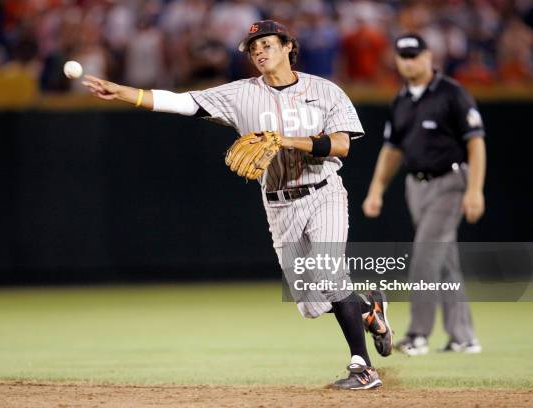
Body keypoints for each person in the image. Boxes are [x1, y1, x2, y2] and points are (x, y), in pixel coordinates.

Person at [83, 20, 392, 390]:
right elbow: (184, 103)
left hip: (323, 191)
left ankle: (363, 368)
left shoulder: (325, 90)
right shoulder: (240, 94)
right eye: (252, 48)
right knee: (312, 305)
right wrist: (125, 93)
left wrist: (288, 141)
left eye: (266, 44)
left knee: (329, 273)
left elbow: (341, 145)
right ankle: (369, 310)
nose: (259, 51)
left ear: (287, 46)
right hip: (279, 205)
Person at [362, 34, 486, 355]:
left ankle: (418, 334)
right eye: (403, 56)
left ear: (429, 56)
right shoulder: (401, 100)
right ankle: (464, 337)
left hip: (451, 182)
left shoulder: (452, 94)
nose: (409, 61)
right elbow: (392, 150)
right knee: (444, 261)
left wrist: (474, 190)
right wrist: (376, 188)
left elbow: (476, 143)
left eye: (415, 55)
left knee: (425, 255)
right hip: (415, 186)